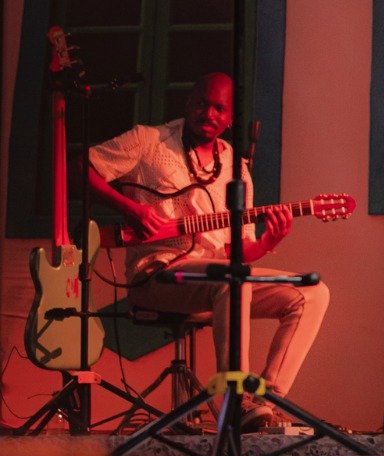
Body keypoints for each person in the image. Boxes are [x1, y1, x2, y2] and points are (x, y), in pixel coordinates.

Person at [86, 72, 328, 433]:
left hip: (219, 278)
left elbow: (236, 250)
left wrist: (269, 241)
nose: (209, 114)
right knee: (233, 280)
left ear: (229, 118)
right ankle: (235, 401)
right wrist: (131, 210)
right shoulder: (148, 141)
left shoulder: (236, 167)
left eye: (219, 109)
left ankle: (265, 400)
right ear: (189, 102)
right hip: (157, 274)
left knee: (312, 293)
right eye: (202, 104)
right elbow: (83, 168)